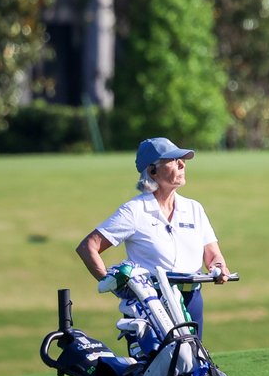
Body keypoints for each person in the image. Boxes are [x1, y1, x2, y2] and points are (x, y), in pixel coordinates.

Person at [76, 137, 230, 337]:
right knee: (154, 366)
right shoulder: (134, 210)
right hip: (150, 303)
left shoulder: (194, 208)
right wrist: (116, 285)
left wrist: (219, 267)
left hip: (192, 299)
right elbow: (88, 247)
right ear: (152, 171)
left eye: (181, 160)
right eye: (174, 160)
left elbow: (212, 255)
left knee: (192, 365)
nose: (182, 164)